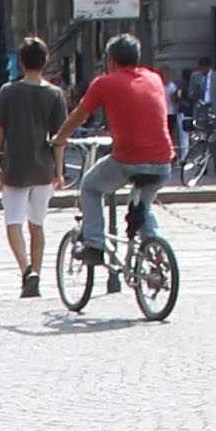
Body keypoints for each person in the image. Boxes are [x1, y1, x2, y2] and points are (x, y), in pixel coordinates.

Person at [63, 31, 175, 266]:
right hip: (164, 162)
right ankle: (154, 252)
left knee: (91, 186)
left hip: (129, 160)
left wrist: (58, 138)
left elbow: (79, 116)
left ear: (111, 60)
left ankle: (94, 244)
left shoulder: (105, 82)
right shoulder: (154, 78)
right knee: (143, 203)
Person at [0, 38, 69, 297]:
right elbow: (58, 138)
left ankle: (26, 271)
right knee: (37, 224)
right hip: (43, 167)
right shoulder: (54, 94)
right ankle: (36, 271)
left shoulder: (8, 92)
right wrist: (59, 171)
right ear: (45, 61)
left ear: (21, 61)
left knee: (13, 222)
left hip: (15, 166)